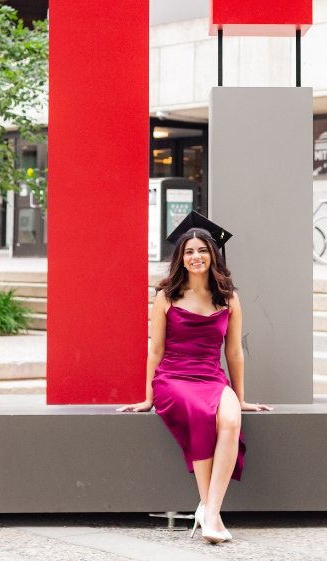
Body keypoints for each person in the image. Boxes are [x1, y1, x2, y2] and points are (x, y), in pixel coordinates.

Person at [117, 213, 272, 544]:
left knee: (231, 420)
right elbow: (155, 350)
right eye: (189, 251)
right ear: (181, 258)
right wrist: (148, 398)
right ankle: (212, 515)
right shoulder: (166, 295)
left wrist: (240, 397)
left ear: (213, 255)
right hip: (173, 377)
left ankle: (209, 509)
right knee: (202, 414)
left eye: (203, 250)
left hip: (211, 376)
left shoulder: (228, 297)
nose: (196, 256)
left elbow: (234, 352)